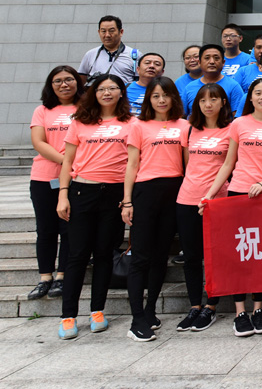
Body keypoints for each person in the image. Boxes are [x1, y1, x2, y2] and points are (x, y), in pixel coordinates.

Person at [202, 78, 262, 338]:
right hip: (238, 193)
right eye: (257, 93)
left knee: (261, 255)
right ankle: (240, 312)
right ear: (250, 97)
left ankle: (258, 309)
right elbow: (228, 163)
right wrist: (209, 195)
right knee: (240, 253)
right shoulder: (239, 124)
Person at [56, 74, 134, 340]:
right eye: (102, 89)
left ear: (121, 92)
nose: (107, 92)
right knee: (77, 255)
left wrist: (127, 199)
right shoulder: (80, 121)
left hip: (114, 193)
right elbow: (68, 161)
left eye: (113, 88)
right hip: (82, 190)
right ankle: (68, 315)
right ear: (94, 93)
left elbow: (134, 162)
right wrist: (63, 194)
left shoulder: (131, 123)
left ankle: (97, 310)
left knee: (104, 253)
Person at [121, 76, 188, 342]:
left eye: (166, 95)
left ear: (174, 98)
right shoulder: (138, 126)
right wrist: (127, 201)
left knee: (160, 256)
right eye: (156, 96)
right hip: (145, 191)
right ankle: (136, 319)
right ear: (149, 99)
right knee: (140, 257)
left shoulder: (183, 125)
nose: (161, 100)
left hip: (174, 191)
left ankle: (150, 311)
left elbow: (187, 164)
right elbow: (132, 164)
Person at [175, 83, 233, 333]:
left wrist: (210, 194)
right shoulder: (190, 130)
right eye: (202, 100)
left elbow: (229, 165)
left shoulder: (231, 130)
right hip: (187, 198)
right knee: (191, 257)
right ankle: (194, 306)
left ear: (223, 102)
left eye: (213, 99)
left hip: (217, 200)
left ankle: (211, 305)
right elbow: (188, 165)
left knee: (214, 256)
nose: (208, 104)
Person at [27, 66, 84, 302]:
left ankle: (62, 276)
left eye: (69, 79)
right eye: (58, 81)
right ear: (51, 85)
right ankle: (45, 277)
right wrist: (65, 161)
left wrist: (71, 165)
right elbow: (38, 142)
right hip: (44, 176)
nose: (64, 84)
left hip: (78, 177)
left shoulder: (86, 108)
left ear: (77, 82)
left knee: (69, 228)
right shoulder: (42, 110)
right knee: (46, 229)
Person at [77, 15, 143, 86]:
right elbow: (81, 81)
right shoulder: (90, 54)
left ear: (121, 32)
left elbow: (141, 82)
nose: (107, 35)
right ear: (99, 32)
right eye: (103, 31)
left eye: (111, 31)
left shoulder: (135, 55)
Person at [181, 45, 245, 116]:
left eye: (216, 58)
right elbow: (182, 116)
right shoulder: (189, 87)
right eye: (207, 58)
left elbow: (238, 117)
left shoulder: (233, 86)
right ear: (199, 62)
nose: (212, 62)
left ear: (223, 62)